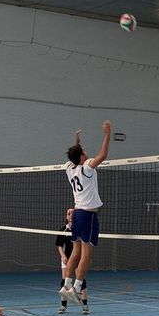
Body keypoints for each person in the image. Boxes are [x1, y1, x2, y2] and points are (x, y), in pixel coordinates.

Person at [61, 120, 112, 304]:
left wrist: (76, 143)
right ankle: (75, 288)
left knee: (75, 252)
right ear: (82, 157)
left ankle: (66, 285)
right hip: (88, 215)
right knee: (86, 256)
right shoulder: (87, 168)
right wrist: (107, 134)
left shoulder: (69, 168)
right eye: (83, 151)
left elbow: (72, 157)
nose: (86, 152)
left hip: (76, 215)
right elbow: (103, 155)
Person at [54, 208, 88, 315]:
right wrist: (63, 256)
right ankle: (63, 305)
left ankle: (85, 305)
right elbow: (59, 246)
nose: (71, 215)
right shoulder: (63, 230)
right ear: (66, 217)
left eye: (73, 213)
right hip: (67, 258)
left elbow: (85, 246)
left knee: (81, 280)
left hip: (78, 258)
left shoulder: (80, 229)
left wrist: (85, 258)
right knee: (64, 281)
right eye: (69, 214)